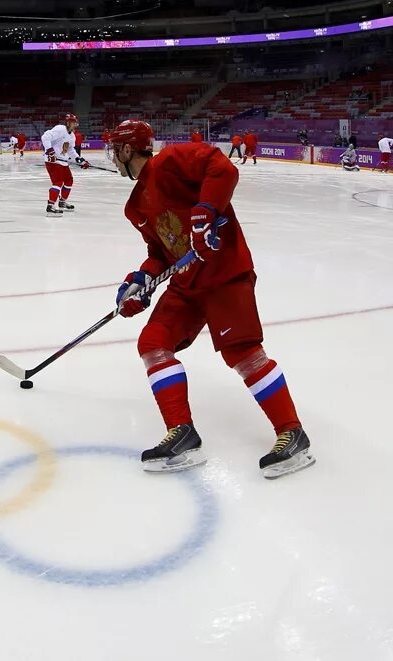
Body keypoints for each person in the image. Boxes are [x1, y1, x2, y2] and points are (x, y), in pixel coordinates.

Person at [108, 119, 313, 479]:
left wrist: (207, 209)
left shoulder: (171, 161)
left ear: (126, 150)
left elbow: (222, 168)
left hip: (223, 272)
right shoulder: (135, 207)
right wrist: (140, 282)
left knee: (243, 354)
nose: (112, 159)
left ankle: (292, 433)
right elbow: (161, 252)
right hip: (188, 285)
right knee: (153, 342)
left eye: (114, 151)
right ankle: (182, 433)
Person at [41, 113, 90, 216]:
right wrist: (50, 151)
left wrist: (79, 159)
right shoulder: (60, 129)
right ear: (68, 122)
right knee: (58, 182)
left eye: (75, 122)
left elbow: (71, 150)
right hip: (53, 161)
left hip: (63, 161)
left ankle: (62, 202)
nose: (75, 124)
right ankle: (50, 206)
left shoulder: (72, 136)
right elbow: (45, 137)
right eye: (73, 122)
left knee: (69, 180)